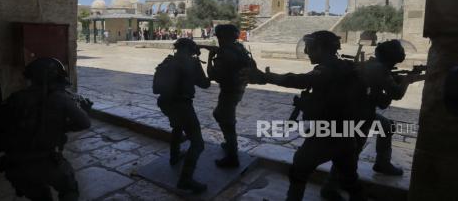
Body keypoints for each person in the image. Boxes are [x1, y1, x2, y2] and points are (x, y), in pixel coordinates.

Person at [248, 31, 366, 201]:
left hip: (326, 134)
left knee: (299, 170)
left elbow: (300, 80)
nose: (306, 52)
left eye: (309, 48)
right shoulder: (345, 66)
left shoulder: (327, 70)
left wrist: (265, 77)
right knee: (350, 179)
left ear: (321, 49)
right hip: (347, 134)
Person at [320, 39, 424, 200]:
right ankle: (329, 187)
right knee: (350, 152)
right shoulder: (380, 70)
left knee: (386, 126)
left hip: (358, 111)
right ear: (393, 56)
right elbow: (396, 94)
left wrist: (398, 80)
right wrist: (407, 81)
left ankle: (382, 163)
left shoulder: (375, 66)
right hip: (355, 116)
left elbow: (380, 99)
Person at [0, 58, 91, 201]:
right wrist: (64, 125)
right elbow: (85, 123)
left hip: (15, 165)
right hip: (45, 162)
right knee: (69, 188)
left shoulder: (16, 98)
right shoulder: (61, 98)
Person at [154, 38, 211, 194]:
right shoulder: (192, 63)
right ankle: (185, 179)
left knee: (177, 126)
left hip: (165, 103)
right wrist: (210, 61)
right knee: (198, 143)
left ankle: (174, 156)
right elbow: (205, 84)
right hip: (182, 105)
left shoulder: (168, 60)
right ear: (190, 50)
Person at [207, 24, 253, 168]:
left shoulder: (225, 53)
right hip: (238, 88)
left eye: (219, 36)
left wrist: (210, 58)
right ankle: (229, 144)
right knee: (220, 115)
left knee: (227, 121)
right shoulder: (239, 48)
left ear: (222, 37)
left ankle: (232, 157)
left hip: (229, 90)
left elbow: (214, 76)